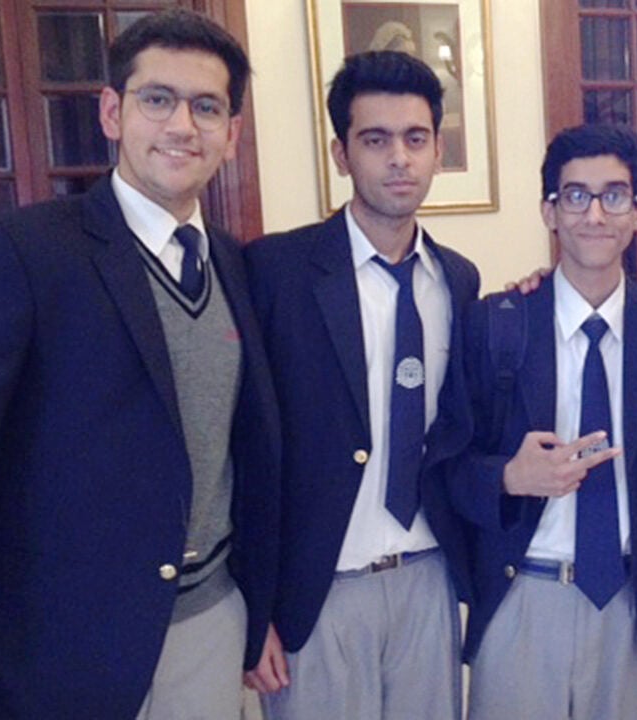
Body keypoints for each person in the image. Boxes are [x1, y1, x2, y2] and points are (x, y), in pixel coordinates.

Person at [0, 9, 279, 719]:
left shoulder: (232, 262)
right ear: (112, 112)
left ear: (231, 134)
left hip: (209, 623)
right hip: (60, 647)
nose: (181, 126)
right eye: (157, 99)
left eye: (207, 107)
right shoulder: (23, 254)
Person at [242, 51, 479, 719]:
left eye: (415, 138)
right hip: (319, 592)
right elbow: (248, 449)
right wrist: (256, 604)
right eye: (375, 140)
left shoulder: (459, 281)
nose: (398, 159)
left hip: (428, 578)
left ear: (437, 148)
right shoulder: (277, 271)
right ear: (341, 154)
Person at [449, 123, 637, 719]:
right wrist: (509, 477)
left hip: (630, 603)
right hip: (523, 596)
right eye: (575, 195)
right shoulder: (497, 326)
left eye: (614, 195)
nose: (594, 214)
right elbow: (444, 468)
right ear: (548, 211)